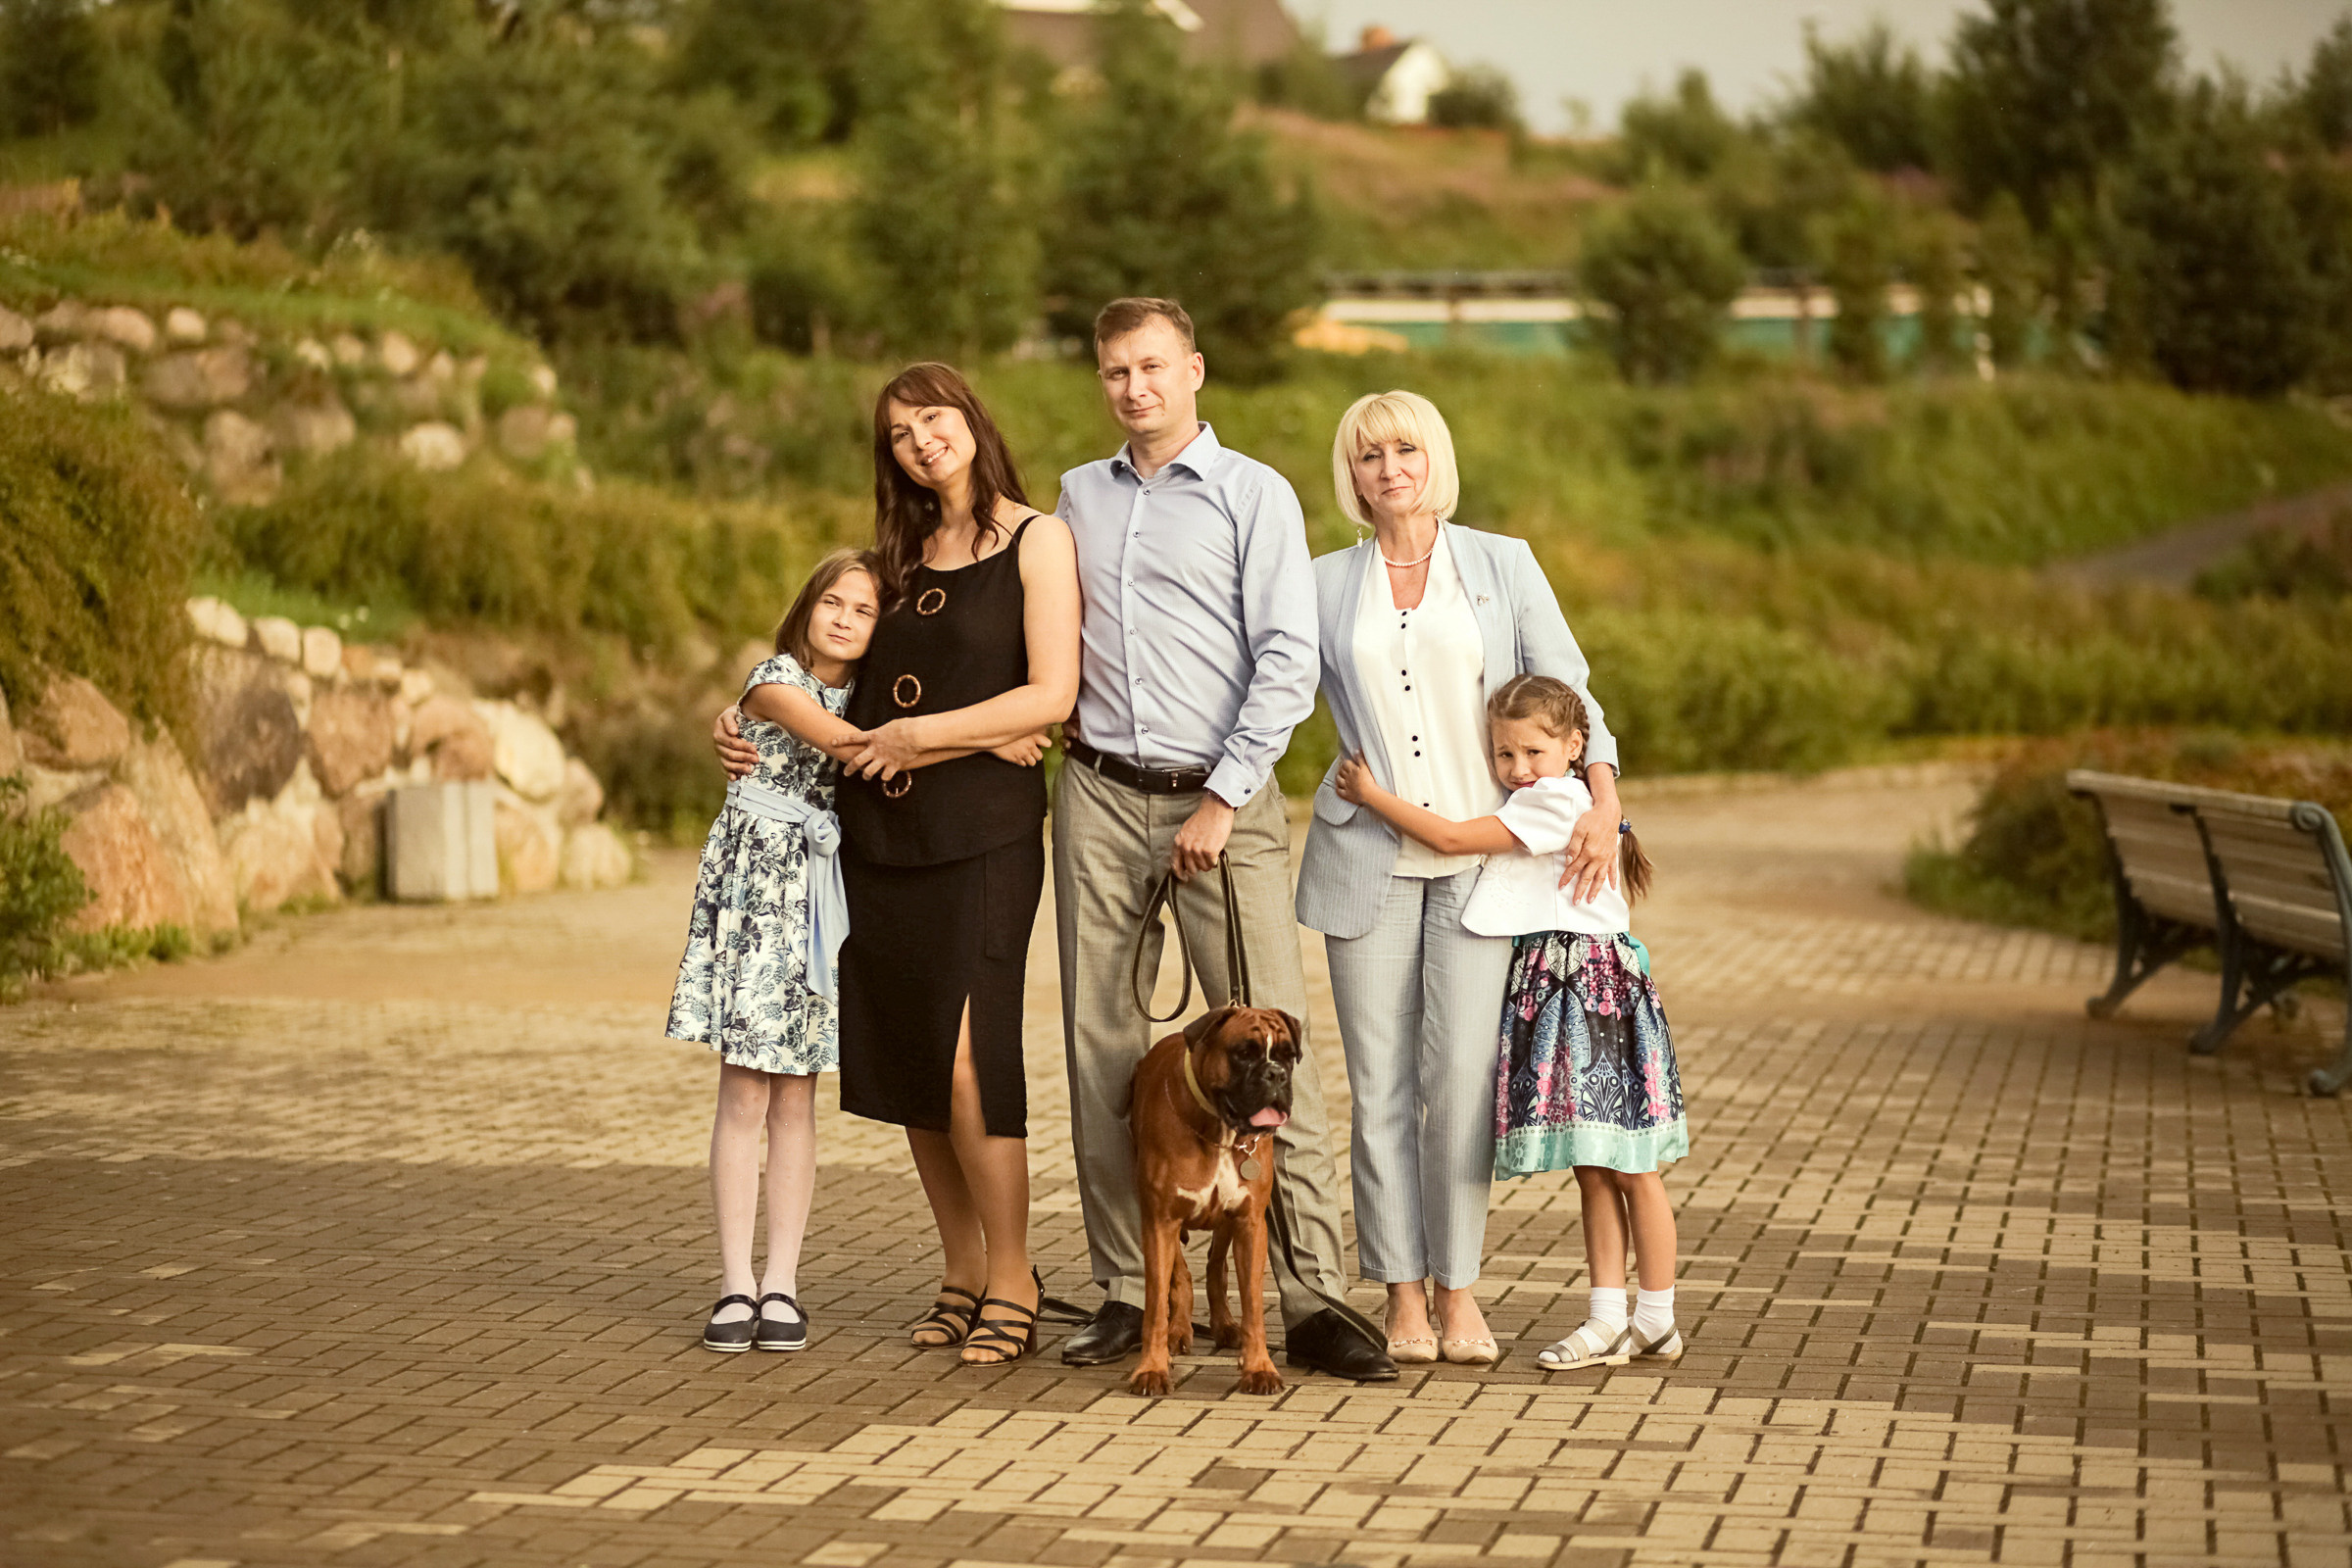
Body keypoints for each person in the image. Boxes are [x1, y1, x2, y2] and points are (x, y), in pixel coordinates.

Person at [1052, 297, 1392, 1384]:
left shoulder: (1255, 494)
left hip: (1222, 800)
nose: (1134, 387)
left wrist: (1224, 796)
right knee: (1104, 1048)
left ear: (1193, 370)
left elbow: (1286, 657)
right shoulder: (1075, 498)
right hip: (1099, 791)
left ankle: (1310, 1298)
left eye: (1152, 366)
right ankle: (1122, 1288)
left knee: (1270, 1050)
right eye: (1116, 371)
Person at [716, 363, 1079, 1366]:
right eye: (900, 431)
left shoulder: (1037, 538)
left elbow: (1051, 692)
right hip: (877, 838)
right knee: (915, 1063)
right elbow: (826, 671)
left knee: (971, 1060)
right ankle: (961, 1268)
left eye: (935, 417)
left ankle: (1015, 1273)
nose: (923, 439)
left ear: (970, 419)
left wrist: (932, 736)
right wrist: (745, 708)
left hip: (986, 838)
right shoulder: (897, 557)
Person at [1295, 390, 1626, 1368]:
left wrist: (1603, 806)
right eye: (1367, 456)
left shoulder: (1502, 563)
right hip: (1368, 858)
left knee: (1462, 1083)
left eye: (1403, 449)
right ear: (1348, 475)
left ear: (1432, 457)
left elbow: (1575, 696)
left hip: (1487, 866)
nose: (1387, 467)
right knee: (1380, 1084)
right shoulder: (1320, 582)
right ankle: (1400, 1293)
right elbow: (1270, 685)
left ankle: (1460, 1290)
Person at [1335, 674, 1686, 1371]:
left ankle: (1651, 1316)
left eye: (1534, 751)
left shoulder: (1558, 804)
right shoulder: (1561, 800)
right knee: (1599, 1167)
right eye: (1503, 756)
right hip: (1572, 990)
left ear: (1575, 746)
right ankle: (1620, 1317)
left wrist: (1370, 794)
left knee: (1632, 1167)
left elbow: (1450, 836)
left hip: (1588, 994)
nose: (1519, 770)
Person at [669, 548, 883, 1354]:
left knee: (797, 1094)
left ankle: (782, 1284)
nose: (844, 619)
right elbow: (846, 743)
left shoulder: (865, 691)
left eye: (864, 612)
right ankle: (732, 1284)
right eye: (833, 602)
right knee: (743, 1091)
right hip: (759, 893)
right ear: (808, 605)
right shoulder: (773, 680)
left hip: (820, 895)